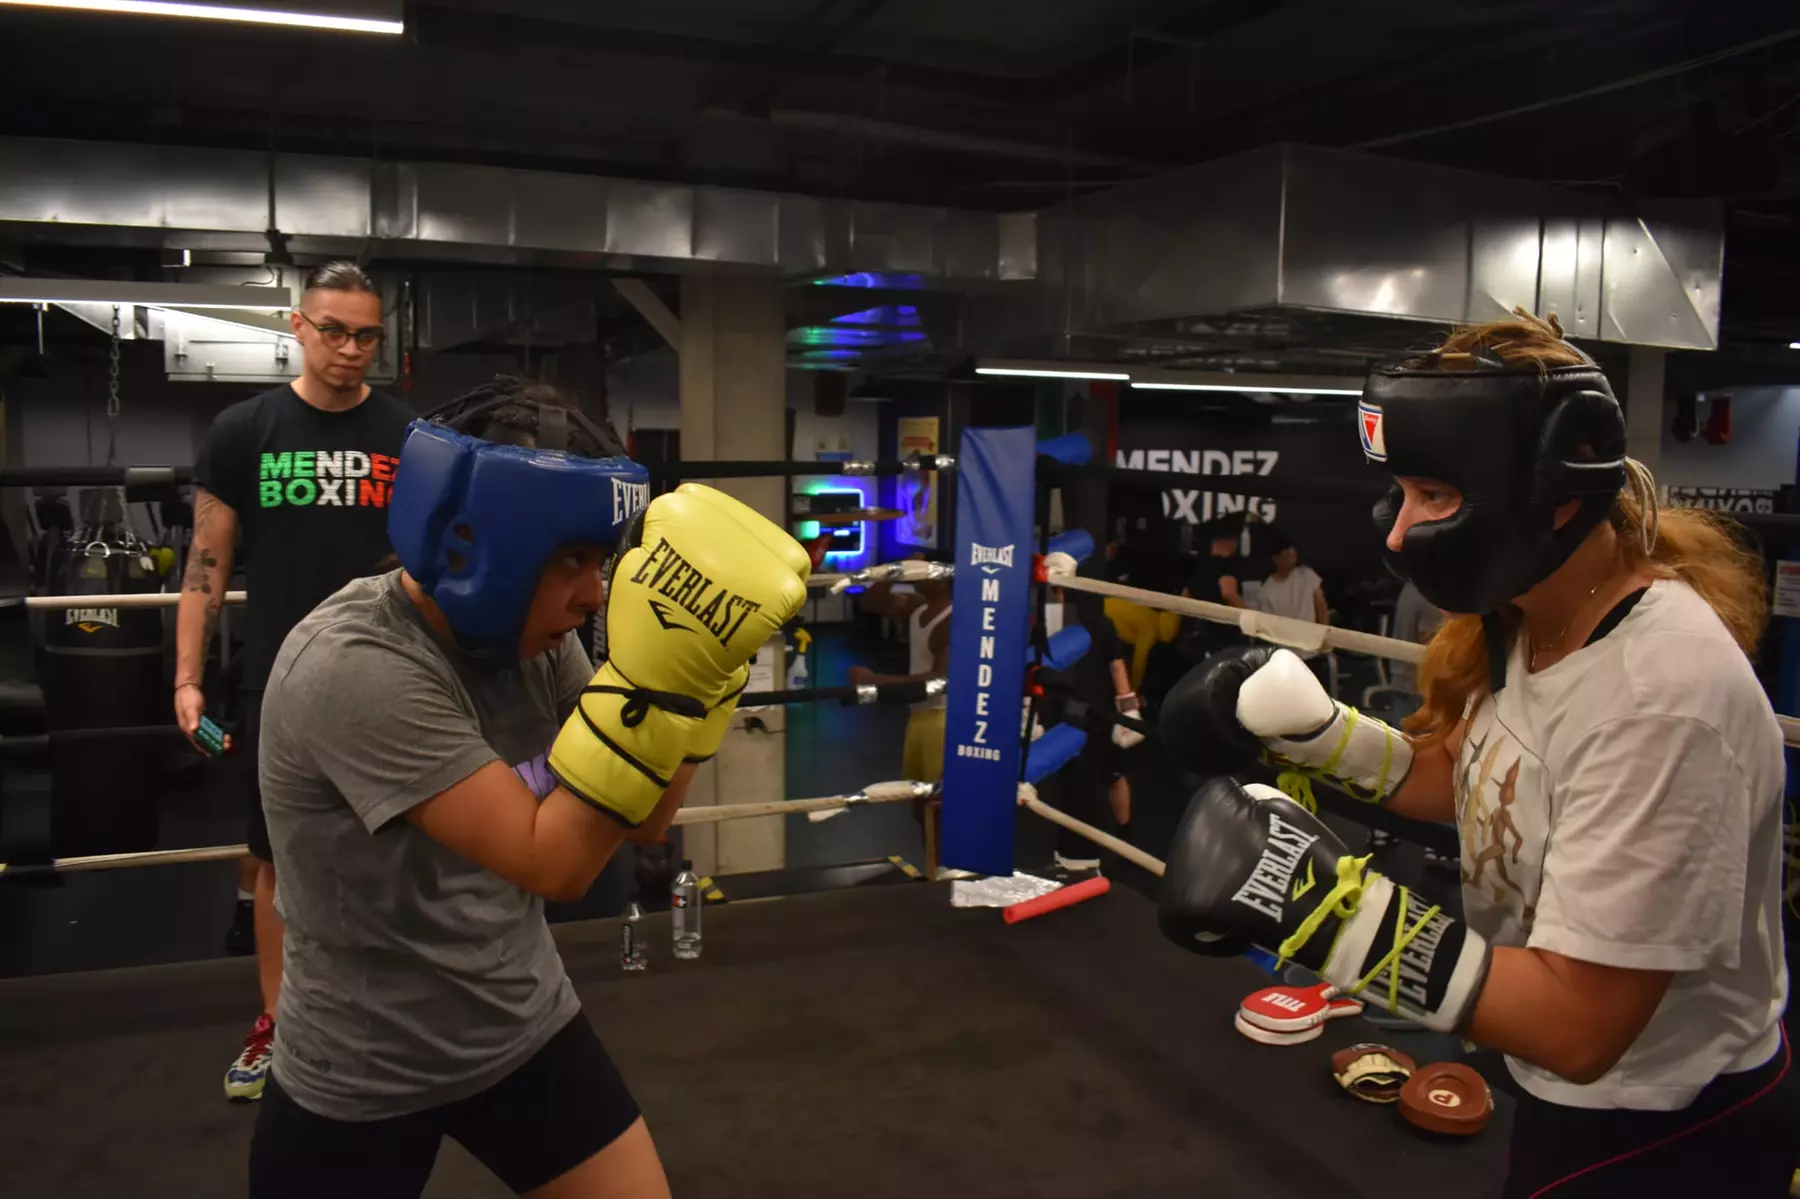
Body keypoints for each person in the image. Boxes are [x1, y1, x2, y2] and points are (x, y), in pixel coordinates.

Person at [1159, 310, 1797, 1196]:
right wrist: (1311, 731)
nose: (1396, 533)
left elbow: (1580, 1022)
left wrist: (1329, 915)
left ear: (1555, 496)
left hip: (1663, 1125)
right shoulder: (1535, 617)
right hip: (1561, 1086)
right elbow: (1463, 781)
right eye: (1404, 493)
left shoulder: (1661, 700)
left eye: (1437, 497)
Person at [248, 376, 810, 1198]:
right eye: (573, 560)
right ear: (481, 545)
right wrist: (653, 688)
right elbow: (556, 863)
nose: (595, 594)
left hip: (519, 1020)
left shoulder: (539, 638)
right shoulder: (355, 668)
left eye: (603, 560)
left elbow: (646, 817)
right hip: (367, 1062)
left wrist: (701, 679)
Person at [174, 261, 415, 1102]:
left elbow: (431, 562)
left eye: (365, 335)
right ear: (298, 326)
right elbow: (208, 560)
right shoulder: (246, 430)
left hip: (388, 678)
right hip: (279, 680)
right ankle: (280, 1020)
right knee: (277, 858)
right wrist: (186, 676)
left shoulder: (407, 435)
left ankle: (390, 1014)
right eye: (333, 330)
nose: (350, 349)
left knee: (396, 851)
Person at [1039, 551, 1142, 870]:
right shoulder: (1089, 619)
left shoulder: (1055, 620)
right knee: (1106, 773)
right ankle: (1119, 839)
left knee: (1082, 777)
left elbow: (1114, 665)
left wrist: (1128, 708)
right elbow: (1116, 666)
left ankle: (1100, 846)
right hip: (1092, 710)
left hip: (1076, 710)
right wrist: (1127, 708)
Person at [850, 551, 952, 783]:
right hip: (918, 714)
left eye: (922, 571)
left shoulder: (952, 620)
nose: (915, 575)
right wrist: (895, 569)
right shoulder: (918, 607)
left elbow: (940, 682)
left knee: (936, 802)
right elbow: (871, 603)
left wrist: (875, 681)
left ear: (942, 579)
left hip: (943, 720)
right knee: (915, 798)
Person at [1248, 527, 1331, 691]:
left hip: (1311, 650)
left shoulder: (1306, 575)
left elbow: (1320, 604)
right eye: (1283, 551)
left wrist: (1325, 632)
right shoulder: (1267, 591)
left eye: (1291, 548)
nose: (1290, 553)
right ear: (1274, 558)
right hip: (1285, 655)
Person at [1177, 512, 1249, 668]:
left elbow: (1185, 596)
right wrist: (1251, 617)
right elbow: (1228, 593)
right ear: (1232, 541)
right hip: (1223, 640)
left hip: (1201, 640)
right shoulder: (1227, 566)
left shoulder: (1202, 567)